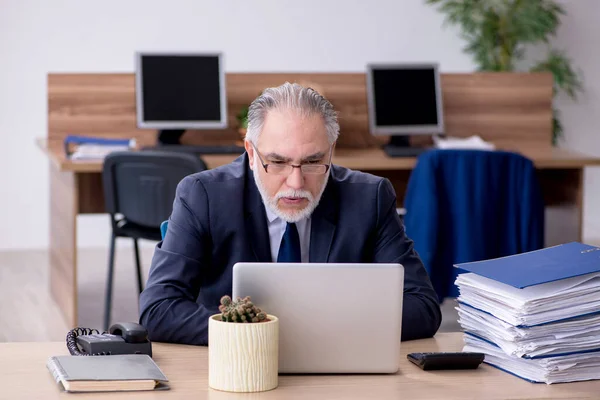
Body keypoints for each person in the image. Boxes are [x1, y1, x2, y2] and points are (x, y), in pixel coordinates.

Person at [139, 82, 441, 345]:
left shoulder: (369, 198)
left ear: (331, 151)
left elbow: (423, 308)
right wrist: (258, 333)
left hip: (336, 366)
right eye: (278, 162)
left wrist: (316, 332)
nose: (296, 183)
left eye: (313, 162)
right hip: (239, 366)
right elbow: (158, 309)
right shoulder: (202, 195)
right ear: (251, 152)